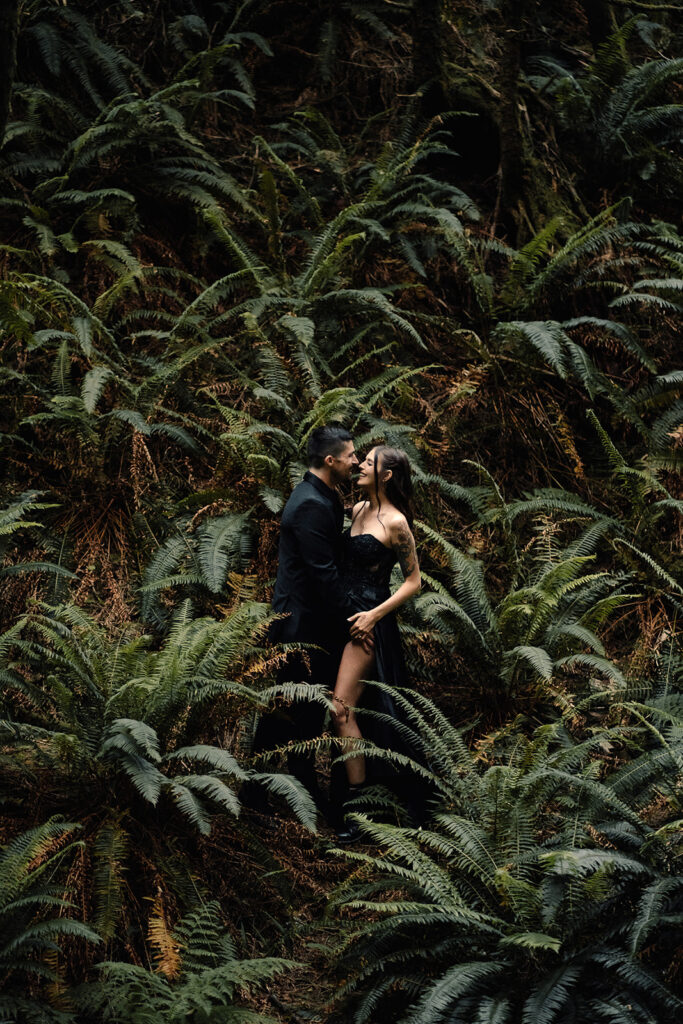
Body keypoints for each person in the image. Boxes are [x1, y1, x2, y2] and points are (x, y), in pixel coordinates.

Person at [249, 424, 370, 820]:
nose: (356, 461)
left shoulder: (323, 496)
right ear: (330, 460)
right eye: (351, 456)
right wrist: (356, 618)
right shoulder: (310, 505)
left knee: (302, 713)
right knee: (284, 712)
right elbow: (324, 576)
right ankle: (254, 793)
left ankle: (303, 789)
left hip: (313, 623)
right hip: (300, 626)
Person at [330, 445, 421, 841]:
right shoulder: (357, 509)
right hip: (340, 617)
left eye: (368, 462)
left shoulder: (396, 522)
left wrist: (373, 616)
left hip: (366, 625)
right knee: (354, 713)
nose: (360, 466)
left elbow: (414, 582)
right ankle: (357, 797)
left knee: (341, 708)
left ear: (386, 475)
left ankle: (359, 808)